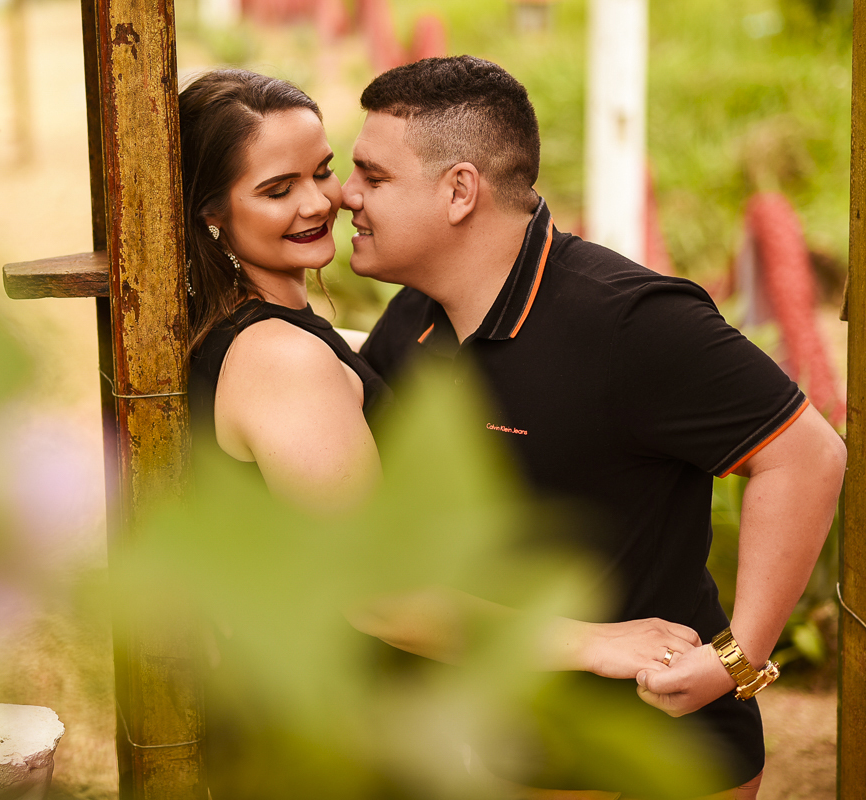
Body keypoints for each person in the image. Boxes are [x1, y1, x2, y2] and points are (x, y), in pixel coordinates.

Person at [179, 68, 715, 796]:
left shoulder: (266, 333)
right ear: (212, 210)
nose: (319, 203)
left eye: (325, 172)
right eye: (278, 189)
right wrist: (598, 642)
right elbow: (380, 595)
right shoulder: (283, 361)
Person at [340, 55, 846, 798]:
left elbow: (807, 455)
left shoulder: (631, 322)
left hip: (653, 747)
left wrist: (740, 655)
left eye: (373, 177)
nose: (345, 195)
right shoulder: (412, 319)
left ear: (459, 191)